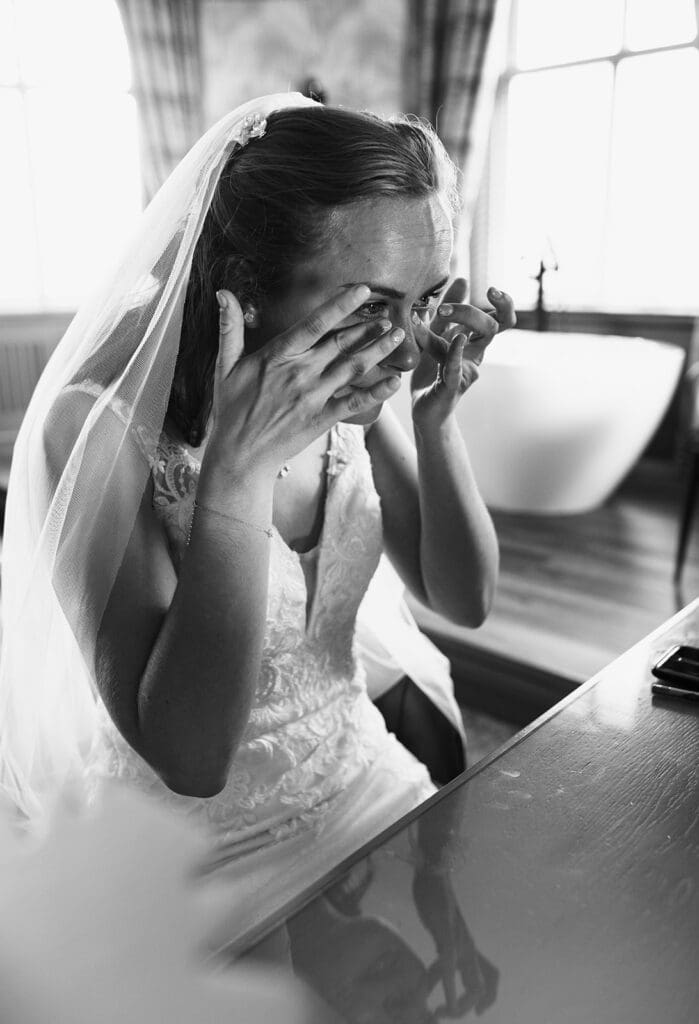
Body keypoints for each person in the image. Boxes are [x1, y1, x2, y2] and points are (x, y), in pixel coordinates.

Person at [0, 93, 514, 944]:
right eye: (370, 305)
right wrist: (235, 472)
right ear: (242, 286)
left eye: (423, 302)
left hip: (359, 778)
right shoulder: (94, 428)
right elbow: (190, 759)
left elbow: (464, 600)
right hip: (192, 857)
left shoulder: (355, 388)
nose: (404, 346)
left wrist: (435, 423)